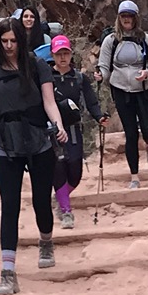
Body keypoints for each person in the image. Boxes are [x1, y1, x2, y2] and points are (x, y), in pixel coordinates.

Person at [0, 12, 65, 293]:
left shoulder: (37, 66)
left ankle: (45, 241)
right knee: (9, 205)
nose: (9, 46)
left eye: (13, 40)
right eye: (4, 41)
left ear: (21, 40)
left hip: (38, 139)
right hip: (5, 143)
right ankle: (8, 272)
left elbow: (49, 102)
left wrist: (58, 126)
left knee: (41, 201)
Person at [100, 0, 148, 189]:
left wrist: (147, 74)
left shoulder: (147, 40)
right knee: (131, 133)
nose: (127, 19)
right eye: (123, 16)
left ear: (136, 18)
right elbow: (104, 67)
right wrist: (100, 75)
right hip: (120, 90)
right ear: (119, 18)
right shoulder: (111, 41)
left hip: (143, 90)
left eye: (130, 16)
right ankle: (134, 176)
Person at [49, 34, 102, 227]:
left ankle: (60, 197)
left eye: (66, 53)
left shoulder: (79, 78)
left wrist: (100, 117)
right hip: (53, 132)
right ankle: (66, 211)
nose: (62, 57)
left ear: (71, 54)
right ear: (52, 55)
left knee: (75, 174)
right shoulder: (46, 78)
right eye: (58, 54)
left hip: (73, 131)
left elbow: (91, 101)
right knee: (58, 170)